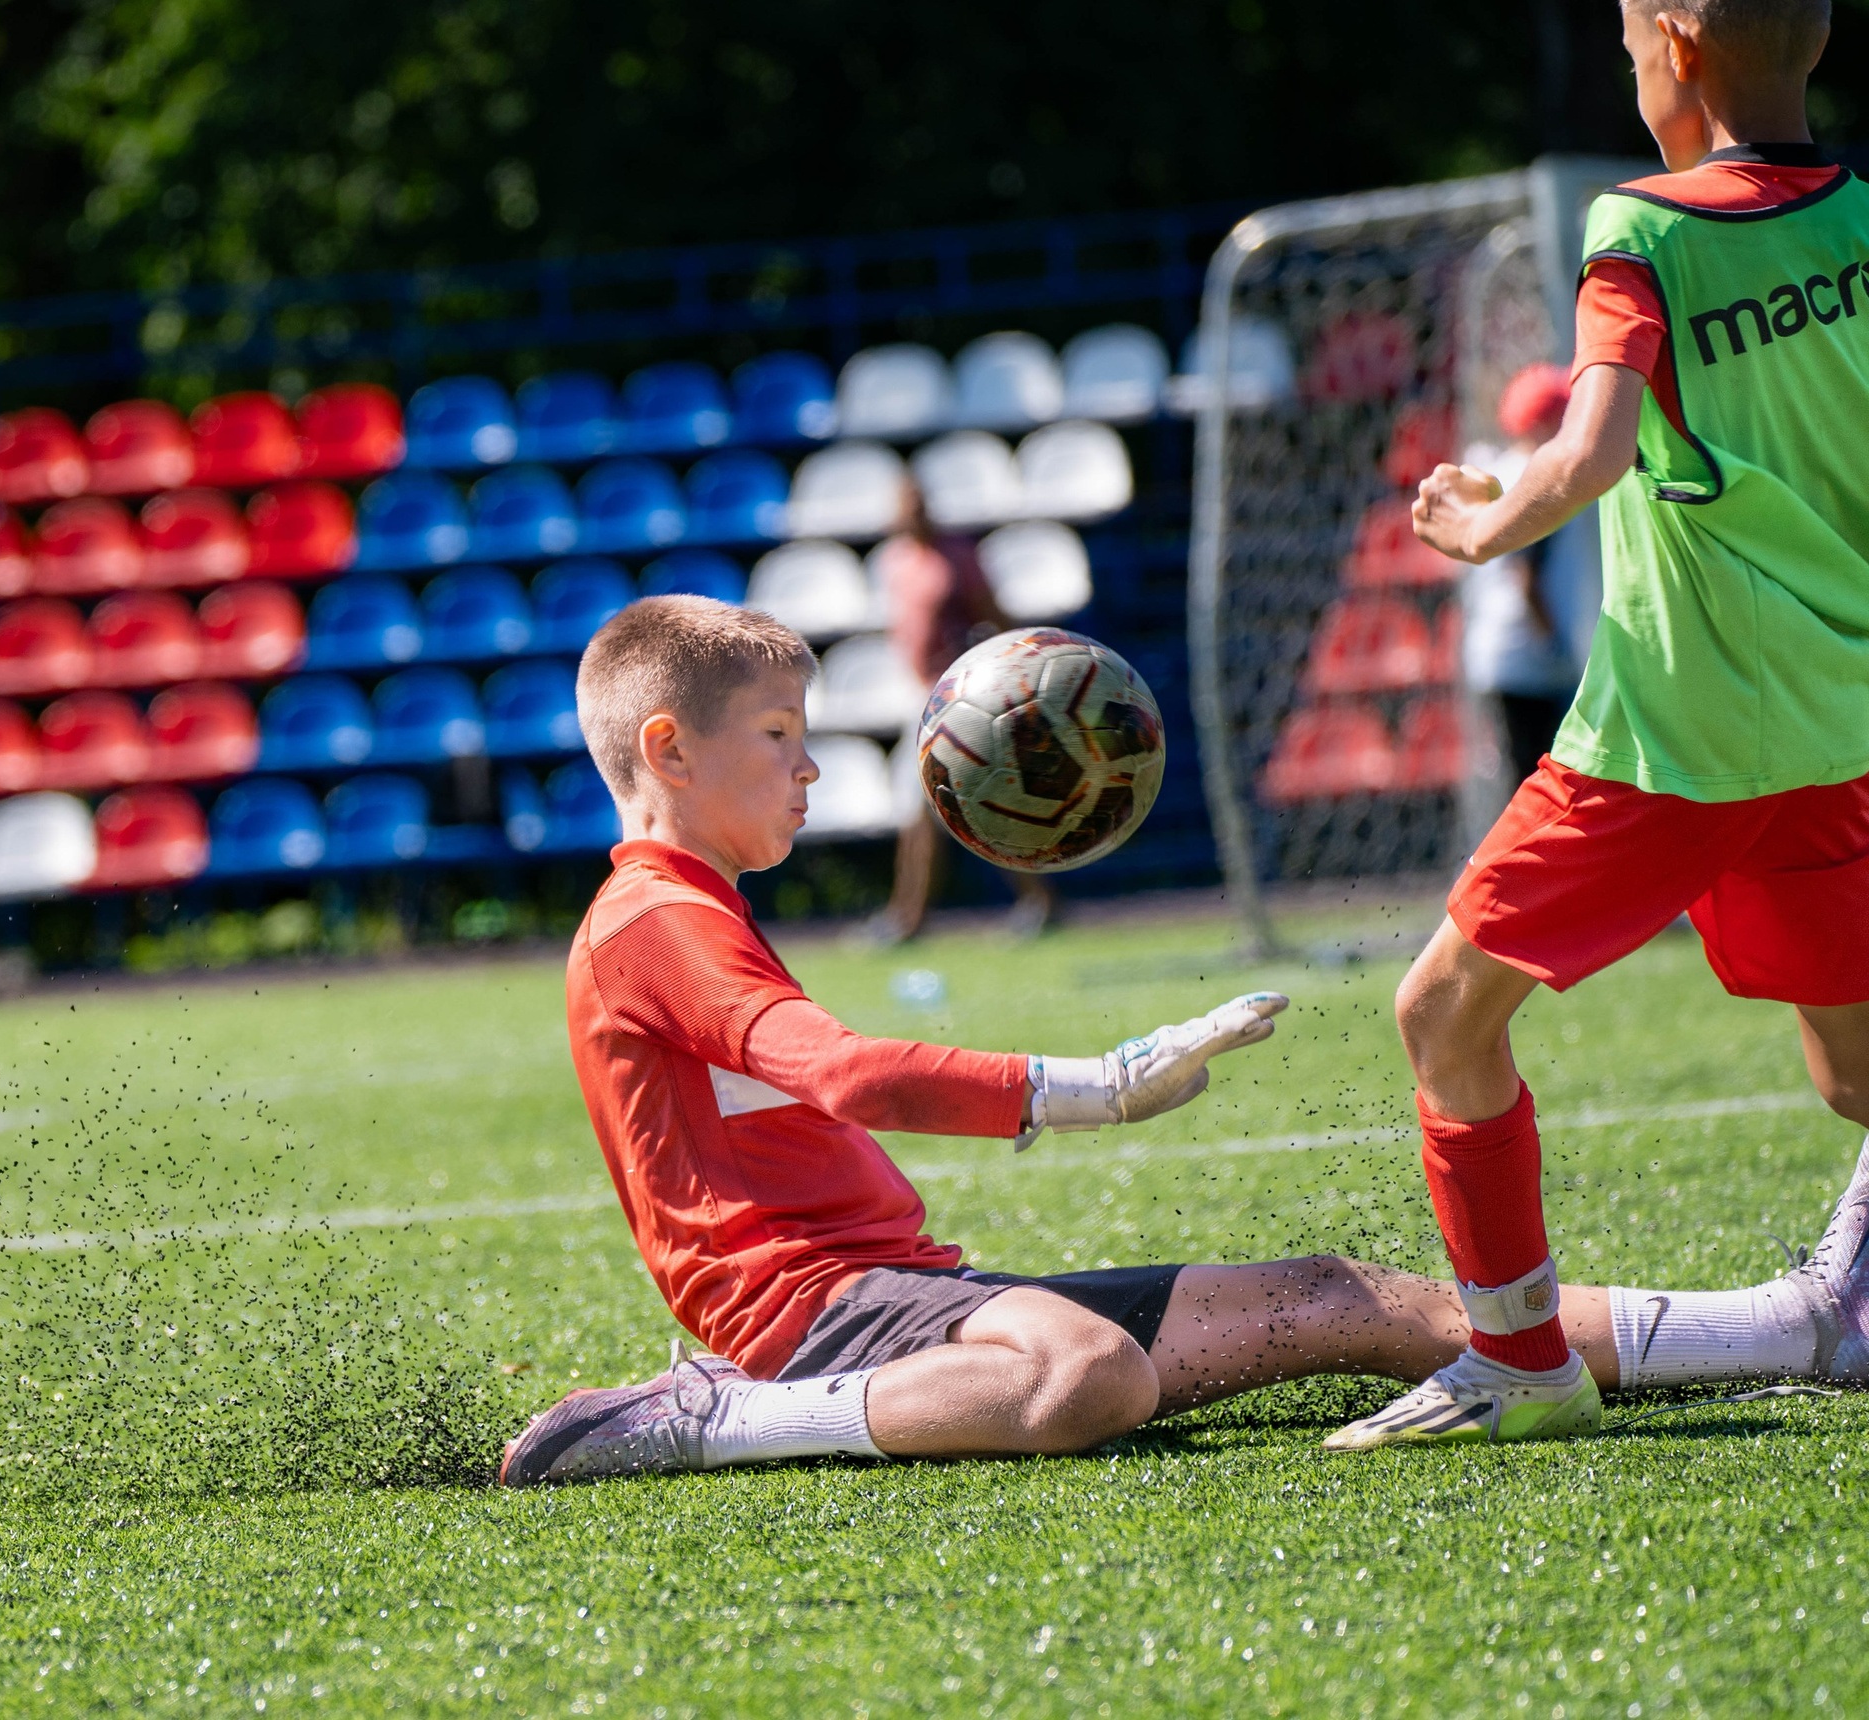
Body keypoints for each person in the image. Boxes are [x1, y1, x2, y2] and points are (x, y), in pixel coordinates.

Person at [495, 596, 1869, 1485]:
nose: (808, 767)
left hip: (899, 1294)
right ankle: (712, 1421)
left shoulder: (684, 906)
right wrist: (1098, 1086)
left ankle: (1798, 1327)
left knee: (1351, 1299)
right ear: (667, 751)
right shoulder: (650, 922)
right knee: (1085, 1373)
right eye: (781, 736)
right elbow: (850, 1070)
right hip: (813, 1323)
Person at [1341, 0, 1869, 1447]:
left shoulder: (1638, 224)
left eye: (1635, 54)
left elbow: (1586, 451)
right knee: (1853, 1087)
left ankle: (1519, 1363)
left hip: (1677, 736)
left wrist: (1478, 526)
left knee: (1442, 1014)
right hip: (1837, 727)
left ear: (1679, 51)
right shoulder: (1865, 222)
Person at [865, 486, 1057, 943]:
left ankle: (909, 917)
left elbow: (992, 614)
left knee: (943, 807)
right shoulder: (895, 560)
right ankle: (1035, 901)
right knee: (960, 806)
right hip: (916, 694)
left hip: (959, 695)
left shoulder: (956, 557)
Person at [1460, 364, 1595, 783]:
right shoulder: (1535, 477)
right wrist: (1554, 645)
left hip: (1501, 654)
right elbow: (1526, 574)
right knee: (1544, 784)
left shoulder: (1497, 468)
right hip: (1530, 656)